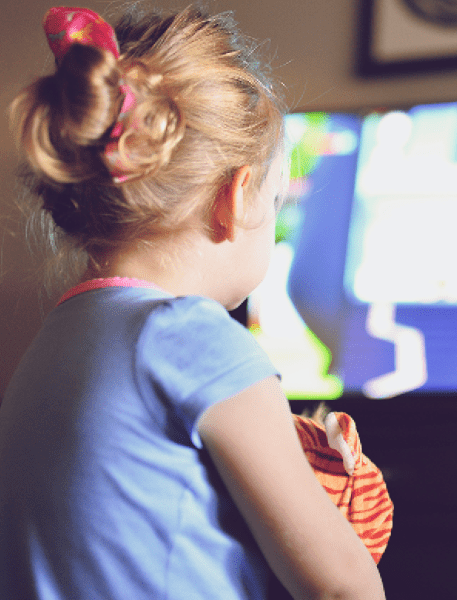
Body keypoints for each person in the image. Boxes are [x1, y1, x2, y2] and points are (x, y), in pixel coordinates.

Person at [0, 5, 386, 600]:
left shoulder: (56, 340)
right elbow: (343, 586)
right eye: (276, 200)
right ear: (234, 199)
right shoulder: (193, 336)